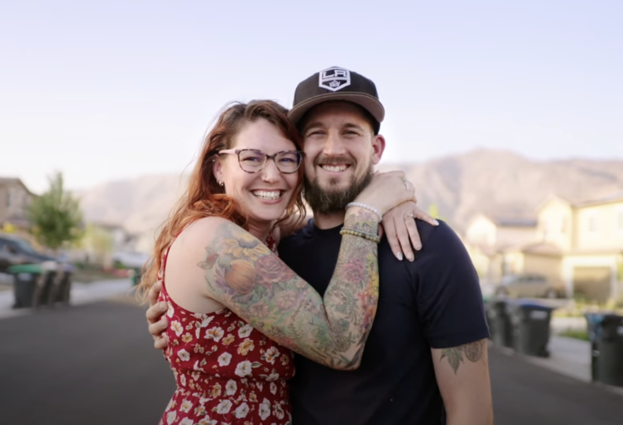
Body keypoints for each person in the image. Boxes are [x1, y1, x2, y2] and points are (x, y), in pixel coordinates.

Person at [148, 67, 493, 424]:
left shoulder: (428, 245)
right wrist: (366, 211)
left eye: (350, 132)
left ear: (376, 149)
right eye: (316, 134)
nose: (332, 148)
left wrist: (392, 198)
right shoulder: (257, 249)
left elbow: (472, 412)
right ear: (219, 168)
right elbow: (339, 346)